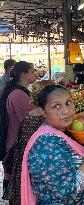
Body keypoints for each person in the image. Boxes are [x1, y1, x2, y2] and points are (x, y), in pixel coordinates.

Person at [21, 85, 84, 204]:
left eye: (68, 103)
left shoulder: (58, 132)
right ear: (43, 112)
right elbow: (68, 191)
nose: (66, 111)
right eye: (56, 106)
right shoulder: (48, 145)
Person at [0, 61, 36, 199]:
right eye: (32, 71)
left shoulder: (18, 92)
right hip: (17, 144)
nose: (35, 74)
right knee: (18, 188)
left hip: (15, 142)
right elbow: (29, 121)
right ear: (23, 75)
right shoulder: (18, 95)